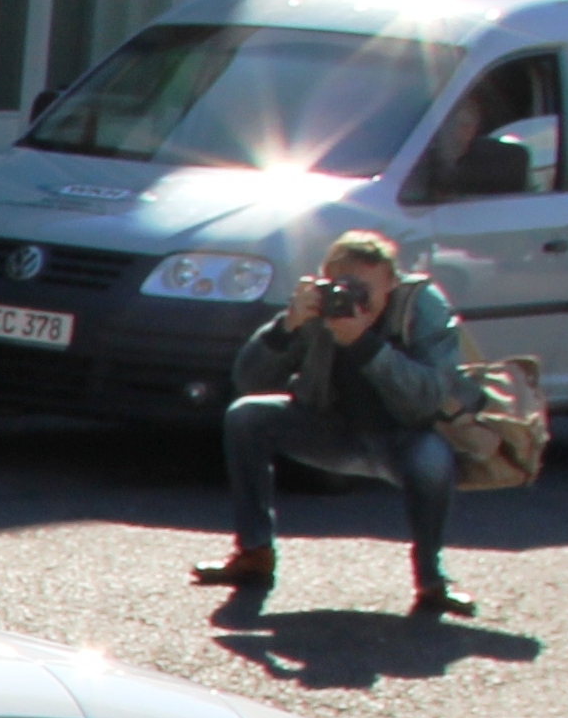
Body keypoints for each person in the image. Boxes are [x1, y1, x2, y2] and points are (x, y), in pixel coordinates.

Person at [194, 232, 477, 617]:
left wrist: (363, 344)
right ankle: (254, 554)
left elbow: (428, 397)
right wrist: (286, 327)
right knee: (246, 414)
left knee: (432, 460)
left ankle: (432, 580)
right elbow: (248, 380)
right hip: (329, 431)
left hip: (403, 436)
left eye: (364, 290)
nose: (351, 299)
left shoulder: (422, 306)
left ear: (391, 283)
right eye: (343, 286)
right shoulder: (320, 306)